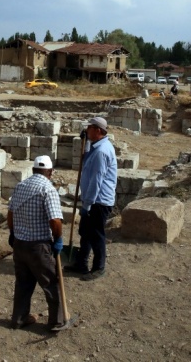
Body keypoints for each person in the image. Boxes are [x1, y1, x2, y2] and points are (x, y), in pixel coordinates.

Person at [7, 155, 66, 331]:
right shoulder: (48, 189)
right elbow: (55, 221)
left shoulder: (21, 186)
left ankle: (19, 319)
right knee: (50, 283)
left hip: (19, 244)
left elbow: (10, 214)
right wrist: (58, 240)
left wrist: (12, 233)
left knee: (23, 284)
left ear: (33, 170)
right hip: (38, 246)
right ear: (50, 172)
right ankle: (57, 321)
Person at [65, 117, 117, 281]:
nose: (87, 130)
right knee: (85, 232)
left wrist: (87, 205)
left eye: (90, 128)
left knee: (96, 235)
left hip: (98, 201)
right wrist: (86, 141)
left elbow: (96, 180)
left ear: (98, 130)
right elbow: (86, 157)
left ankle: (98, 267)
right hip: (93, 199)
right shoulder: (97, 147)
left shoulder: (102, 152)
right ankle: (81, 264)